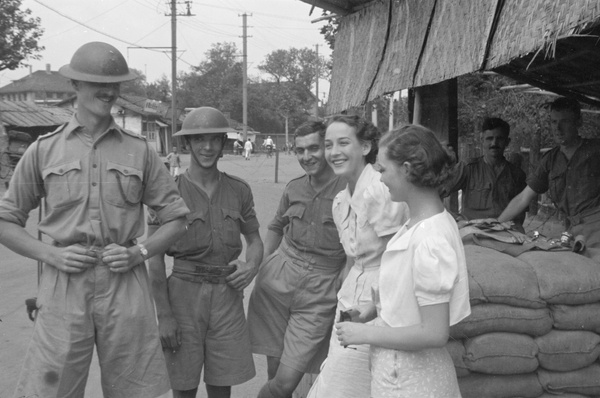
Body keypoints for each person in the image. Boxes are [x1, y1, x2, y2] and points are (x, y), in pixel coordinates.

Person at [0, 41, 190, 398]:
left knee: (134, 390)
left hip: (125, 281)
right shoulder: (44, 150)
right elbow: (5, 221)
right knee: (50, 388)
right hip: (63, 283)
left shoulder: (140, 151)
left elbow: (176, 219)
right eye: (97, 82)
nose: (108, 91)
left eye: (115, 84)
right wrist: (50, 255)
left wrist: (141, 253)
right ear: (75, 85)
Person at [336, 125, 471, 397]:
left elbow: (434, 332)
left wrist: (364, 334)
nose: (380, 178)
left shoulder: (430, 239)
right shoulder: (419, 223)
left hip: (412, 381)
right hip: (403, 374)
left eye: (383, 170)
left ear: (407, 169)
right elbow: (410, 293)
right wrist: (373, 309)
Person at [148, 106, 264, 398]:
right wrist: (165, 315)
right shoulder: (168, 191)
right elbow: (154, 257)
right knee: (183, 386)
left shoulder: (239, 190)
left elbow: (255, 240)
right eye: (199, 140)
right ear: (187, 144)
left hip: (226, 296)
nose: (208, 147)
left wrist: (251, 267)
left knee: (221, 384)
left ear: (224, 143)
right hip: (183, 296)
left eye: (215, 139)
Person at [307, 115, 409, 398]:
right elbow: (352, 260)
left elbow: (398, 256)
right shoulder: (341, 200)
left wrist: (377, 308)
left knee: (347, 383)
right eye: (328, 145)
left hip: (381, 299)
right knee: (342, 378)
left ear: (365, 147)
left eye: (343, 143)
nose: (334, 152)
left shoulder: (379, 189)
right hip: (352, 296)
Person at [248, 121, 347, 398]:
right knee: (274, 371)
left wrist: (346, 268)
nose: (307, 157)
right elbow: (276, 226)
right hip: (276, 283)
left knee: (285, 382)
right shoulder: (294, 188)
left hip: (319, 290)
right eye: (300, 150)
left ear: (327, 147)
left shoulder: (348, 188)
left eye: (314, 148)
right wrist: (264, 263)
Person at [498, 97, 600, 248]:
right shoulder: (551, 159)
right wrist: (494, 225)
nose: (558, 128)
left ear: (578, 122)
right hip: (572, 232)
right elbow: (523, 198)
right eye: (553, 122)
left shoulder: (595, 151)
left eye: (564, 121)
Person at [442, 117, 526, 225]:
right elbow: (437, 191)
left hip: (505, 234)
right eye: (489, 138)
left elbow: (520, 214)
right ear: (482, 140)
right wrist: (455, 219)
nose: (494, 143)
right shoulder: (467, 168)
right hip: (473, 235)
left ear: (507, 142)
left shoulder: (517, 175)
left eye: (499, 138)